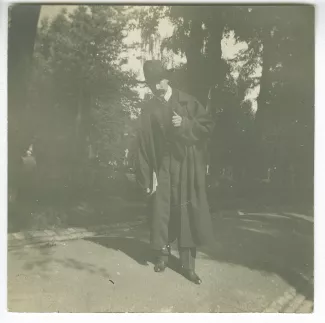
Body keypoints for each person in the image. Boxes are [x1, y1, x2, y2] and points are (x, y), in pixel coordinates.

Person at [135, 60, 215, 285]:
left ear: (167, 79)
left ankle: (188, 266)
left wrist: (186, 124)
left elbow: (207, 127)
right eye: (151, 84)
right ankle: (162, 256)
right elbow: (142, 143)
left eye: (157, 82)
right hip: (162, 165)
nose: (154, 87)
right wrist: (146, 175)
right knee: (162, 210)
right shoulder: (149, 108)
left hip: (186, 165)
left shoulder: (188, 102)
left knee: (186, 211)